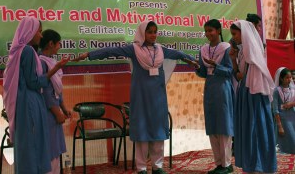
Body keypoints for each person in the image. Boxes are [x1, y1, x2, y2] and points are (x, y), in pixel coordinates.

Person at [73, 20, 195, 174]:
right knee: (142, 132)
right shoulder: (134, 49)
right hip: (141, 97)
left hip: (158, 98)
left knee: (158, 132)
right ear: (143, 33)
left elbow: (179, 54)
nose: (153, 35)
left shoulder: (161, 50)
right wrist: (89, 55)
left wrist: (192, 59)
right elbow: (111, 51)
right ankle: (142, 168)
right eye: (149, 32)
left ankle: (158, 167)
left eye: (155, 32)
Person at [3, 16, 69, 174]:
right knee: (33, 143)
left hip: (23, 101)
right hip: (30, 102)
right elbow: (33, 82)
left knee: (26, 143)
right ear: (29, 32)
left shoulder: (18, 51)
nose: (41, 35)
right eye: (38, 31)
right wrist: (55, 69)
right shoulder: (27, 51)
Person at [229, 20, 277, 173]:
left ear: (244, 33)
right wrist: (233, 60)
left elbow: (251, 78)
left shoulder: (253, 53)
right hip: (245, 94)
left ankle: (259, 165)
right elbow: (239, 75)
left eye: (235, 34)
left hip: (255, 95)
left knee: (256, 130)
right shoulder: (243, 51)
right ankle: (251, 164)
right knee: (248, 130)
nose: (233, 37)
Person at [193, 19, 234, 174]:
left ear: (218, 31)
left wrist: (217, 66)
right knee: (212, 126)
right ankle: (218, 163)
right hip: (209, 89)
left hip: (223, 88)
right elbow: (204, 72)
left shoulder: (226, 48)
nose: (208, 33)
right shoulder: (203, 49)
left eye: (211, 30)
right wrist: (197, 68)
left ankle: (227, 164)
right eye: (206, 31)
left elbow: (230, 71)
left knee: (223, 126)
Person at [39, 29, 71, 173]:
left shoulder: (52, 62)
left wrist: (63, 108)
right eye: (58, 44)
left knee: (56, 149)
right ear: (51, 44)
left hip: (55, 111)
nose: (59, 47)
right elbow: (45, 91)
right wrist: (57, 112)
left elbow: (57, 90)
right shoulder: (41, 63)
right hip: (48, 113)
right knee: (50, 150)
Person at [272, 67, 295, 154]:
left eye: (290, 77)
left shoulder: (293, 89)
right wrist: (280, 126)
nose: (289, 80)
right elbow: (275, 109)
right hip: (282, 119)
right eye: (287, 78)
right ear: (281, 78)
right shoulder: (277, 91)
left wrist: (291, 104)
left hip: (292, 117)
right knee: (285, 144)